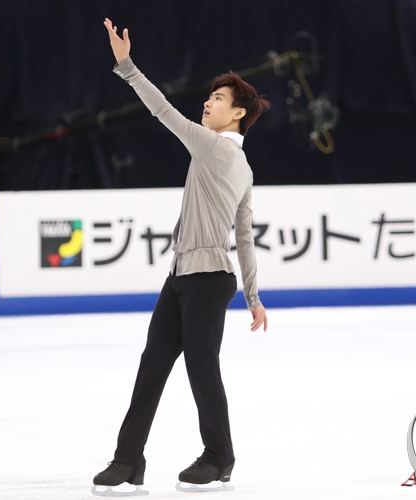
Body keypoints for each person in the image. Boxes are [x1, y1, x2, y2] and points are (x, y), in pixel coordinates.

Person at [92, 19, 270, 494]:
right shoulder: (244, 166)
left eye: (218, 99)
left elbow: (162, 110)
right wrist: (253, 296)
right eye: (209, 97)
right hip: (184, 276)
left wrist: (127, 66)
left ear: (237, 114)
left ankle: (220, 456)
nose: (208, 103)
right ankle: (128, 459)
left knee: (200, 366)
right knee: (153, 364)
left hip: (207, 278)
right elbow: (245, 237)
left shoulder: (213, 147)